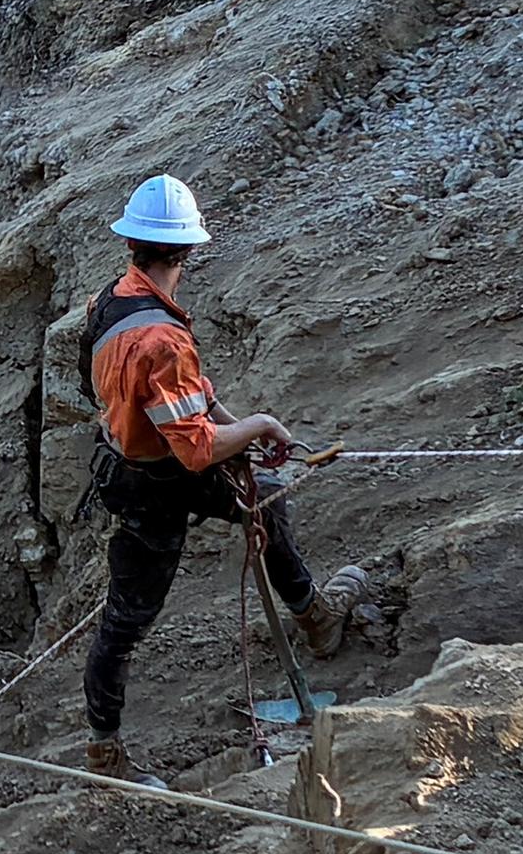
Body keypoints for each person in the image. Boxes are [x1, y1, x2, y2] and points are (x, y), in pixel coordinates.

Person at [81, 174, 338, 774]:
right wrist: (261, 425)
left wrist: (236, 424)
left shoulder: (114, 301)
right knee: (127, 617)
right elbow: (198, 450)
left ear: (135, 247)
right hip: (155, 481)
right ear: (187, 253)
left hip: (136, 456)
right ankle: (104, 752)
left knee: (266, 498)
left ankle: (313, 615)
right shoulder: (162, 339)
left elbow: (187, 402)